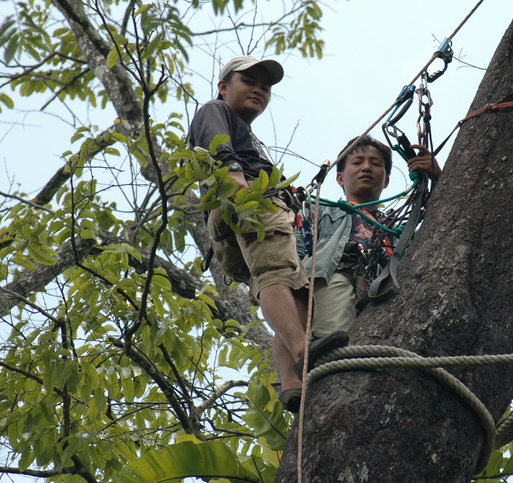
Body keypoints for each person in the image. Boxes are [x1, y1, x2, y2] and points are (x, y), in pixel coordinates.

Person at [188, 56, 349, 411]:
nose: (259, 89)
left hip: (244, 209)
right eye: (249, 80)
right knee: (277, 275)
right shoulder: (215, 111)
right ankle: (304, 350)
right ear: (224, 86)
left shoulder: (247, 133)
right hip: (248, 200)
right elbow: (217, 148)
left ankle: (291, 381)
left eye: (266, 86)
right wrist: (239, 186)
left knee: (295, 289)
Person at [275, 134, 440, 413]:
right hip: (336, 274)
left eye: (376, 164)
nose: (366, 167)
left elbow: (437, 230)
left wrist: (437, 179)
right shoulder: (319, 209)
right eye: (357, 162)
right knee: (335, 348)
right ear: (340, 178)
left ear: (387, 180)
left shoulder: (398, 228)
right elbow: (297, 245)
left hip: (380, 291)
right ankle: (312, 397)